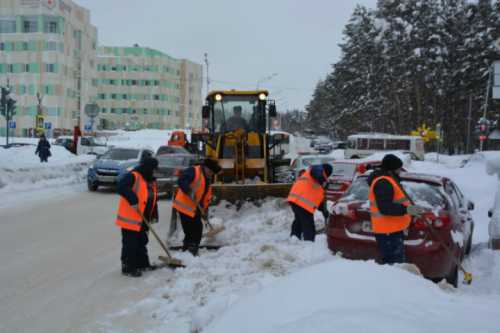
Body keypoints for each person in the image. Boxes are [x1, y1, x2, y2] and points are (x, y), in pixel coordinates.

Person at [367, 154, 427, 264]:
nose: (400, 171)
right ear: (392, 169)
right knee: (394, 266)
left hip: (391, 230)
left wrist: (410, 210)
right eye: (398, 169)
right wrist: (406, 209)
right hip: (388, 232)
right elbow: (385, 208)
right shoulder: (383, 183)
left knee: (394, 264)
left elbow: (396, 201)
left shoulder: (389, 180)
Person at [116, 155, 159, 277]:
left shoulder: (150, 179)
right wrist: (132, 199)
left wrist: (154, 214)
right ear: (147, 168)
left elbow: (153, 198)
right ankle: (128, 267)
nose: (155, 171)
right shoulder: (133, 176)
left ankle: (143, 264)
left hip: (144, 217)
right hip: (131, 218)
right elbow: (120, 187)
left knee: (142, 241)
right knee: (130, 244)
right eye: (153, 169)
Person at [173, 158, 222, 256]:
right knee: (194, 229)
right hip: (184, 206)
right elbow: (182, 180)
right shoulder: (194, 171)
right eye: (211, 172)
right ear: (207, 168)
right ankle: (192, 249)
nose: (211, 175)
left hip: (193, 208)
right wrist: (188, 190)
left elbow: (204, 197)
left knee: (194, 228)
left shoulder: (206, 179)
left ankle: (188, 248)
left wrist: (204, 211)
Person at [287, 163, 333, 242]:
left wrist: (324, 211)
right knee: (308, 225)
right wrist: (323, 180)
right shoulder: (317, 171)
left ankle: (294, 238)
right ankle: (309, 243)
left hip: (294, 200)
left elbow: (319, 200)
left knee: (298, 221)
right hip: (302, 203)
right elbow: (317, 172)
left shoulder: (314, 177)